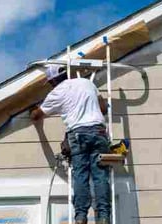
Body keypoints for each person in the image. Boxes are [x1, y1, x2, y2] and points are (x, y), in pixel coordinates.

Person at [30, 65, 111, 224]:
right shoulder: (87, 83)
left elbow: (37, 115)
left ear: (53, 81)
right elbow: (103, 108)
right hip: (99, 132)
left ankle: (81, 217)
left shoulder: (56, 93)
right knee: (100, 176)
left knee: (81, 176)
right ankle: (103, 217)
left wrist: (32, 111)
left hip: (79, 134)